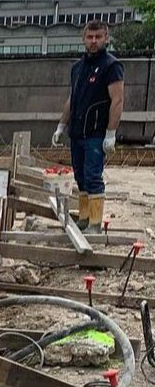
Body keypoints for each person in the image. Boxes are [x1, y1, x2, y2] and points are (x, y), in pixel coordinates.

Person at [52, 21, 125, 232]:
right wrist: (61, 125)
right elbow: (72, 98)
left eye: (98, 37)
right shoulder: (78, 68)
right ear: (83, 39)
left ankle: (95, 223)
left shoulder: (111, 67)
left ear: (106, 38)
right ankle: (84, 218)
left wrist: (110, 133)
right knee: (81, 177)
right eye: (90, 37)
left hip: (95, 133)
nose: (94, 41)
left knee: (93, 177)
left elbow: (117, 100)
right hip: (77, 132)